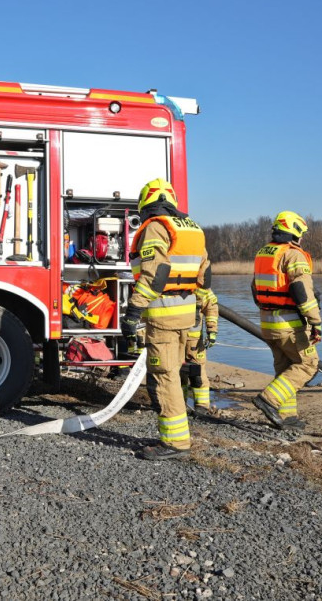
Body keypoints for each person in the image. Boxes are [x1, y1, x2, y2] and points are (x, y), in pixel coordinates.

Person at [121, 178, 210, 460]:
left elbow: (154, 275)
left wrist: (133, 311)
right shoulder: (192, 229)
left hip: (162, 317)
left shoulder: (156, 228)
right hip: (188, 315)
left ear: (146, 205)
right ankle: (177, 434)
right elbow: (204, 276)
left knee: (165, 376)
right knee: (177, 373)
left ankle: (174, 442)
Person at [250, 211, 322, 430]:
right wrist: (315, 321)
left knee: (285, 368)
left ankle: (287, 417)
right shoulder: (293, 255)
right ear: (295, 232)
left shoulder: (264, 253)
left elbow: (255, 289)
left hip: (268, 323)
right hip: (289, 324)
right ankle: (269, 399)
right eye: (302, 234)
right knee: (308, 365)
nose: (302, 239)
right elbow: (301, 290)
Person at [182, 286, 219, 414]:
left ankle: (200, 406)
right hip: (179, 338)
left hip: (192, 340)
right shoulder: (197, 285)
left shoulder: (200, 287)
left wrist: (212, 330)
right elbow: (211, 305)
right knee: (179, 372)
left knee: (197, 372)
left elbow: (211, 307)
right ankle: (181, 404)